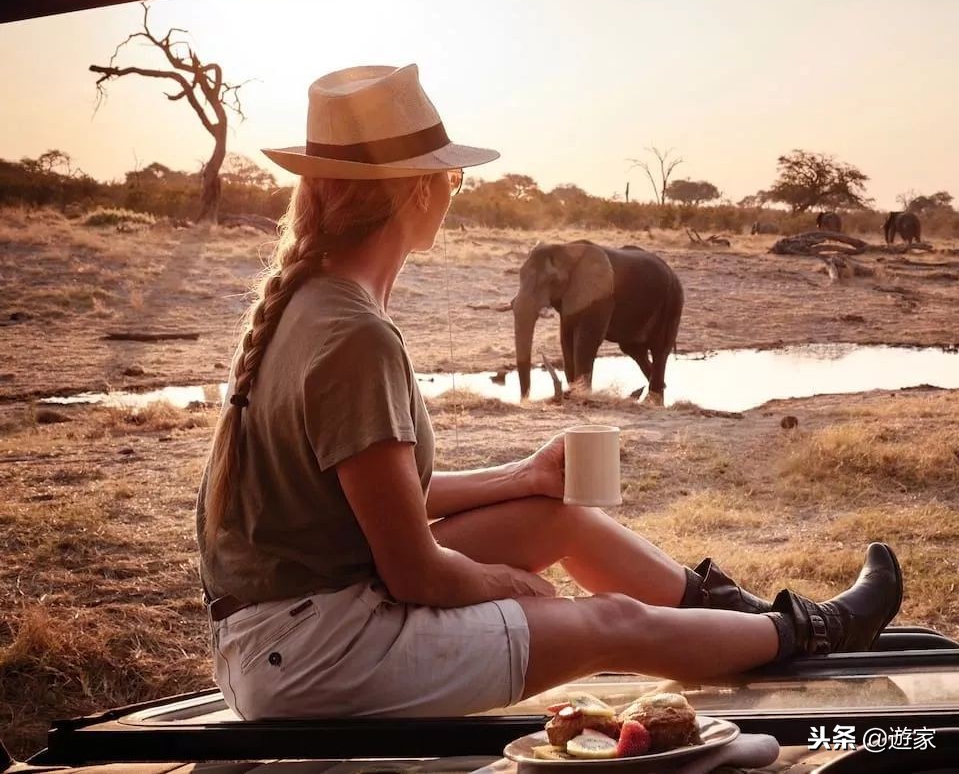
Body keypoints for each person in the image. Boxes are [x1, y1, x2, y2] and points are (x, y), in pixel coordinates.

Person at [196, 64, 903, 721]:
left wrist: (522, 475)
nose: (452, 190)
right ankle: (819, 633)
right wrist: (504, 584)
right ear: (417, 189)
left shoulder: (312, 304)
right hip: (319, 650)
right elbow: (414, 570)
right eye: (452, 179)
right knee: (609, 624)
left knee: (555, 515)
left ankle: (757, 622)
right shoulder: (354, 335)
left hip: (293, 625)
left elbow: (381, 495)